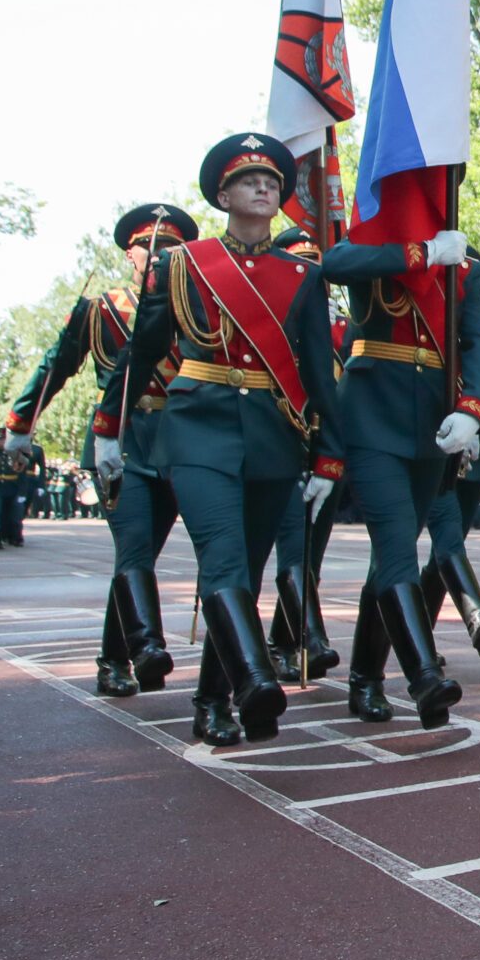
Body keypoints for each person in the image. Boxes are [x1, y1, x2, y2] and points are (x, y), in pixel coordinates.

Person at [110, 141, 344, 744]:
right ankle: (254, 681)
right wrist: (109, 428)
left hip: (272, 433)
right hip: (197, 426)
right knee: (222, 558)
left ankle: (211, 699)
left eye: (272, 180)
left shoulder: (304, 276)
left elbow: (319, 375)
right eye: (249, 181)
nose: (265, 188)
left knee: (250, 568)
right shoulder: (184, 265)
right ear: (223, 196)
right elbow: (143, 350)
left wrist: (330, 455)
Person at [5, 204, 201, 694]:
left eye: (172, 250)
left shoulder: (196, 310)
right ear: (130, 254)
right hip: (122, 442)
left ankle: (112, 659)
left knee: (142, 556)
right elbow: (56, 367)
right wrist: (21, 424)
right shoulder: (100, 310)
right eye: (150, 248)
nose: (159, 257)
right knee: (133, 547)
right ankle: (147, 645)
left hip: (178, 443)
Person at [321, 211, 480, 728]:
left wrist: (473, 408)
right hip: (373, 411)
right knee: (397, 544)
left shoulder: (466, 263)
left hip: (432, 417)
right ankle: (423, 675)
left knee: (389, 557)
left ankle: (365, 677)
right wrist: (420, 252)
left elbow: (476, 344)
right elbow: (334, 262)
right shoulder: (374, 244)